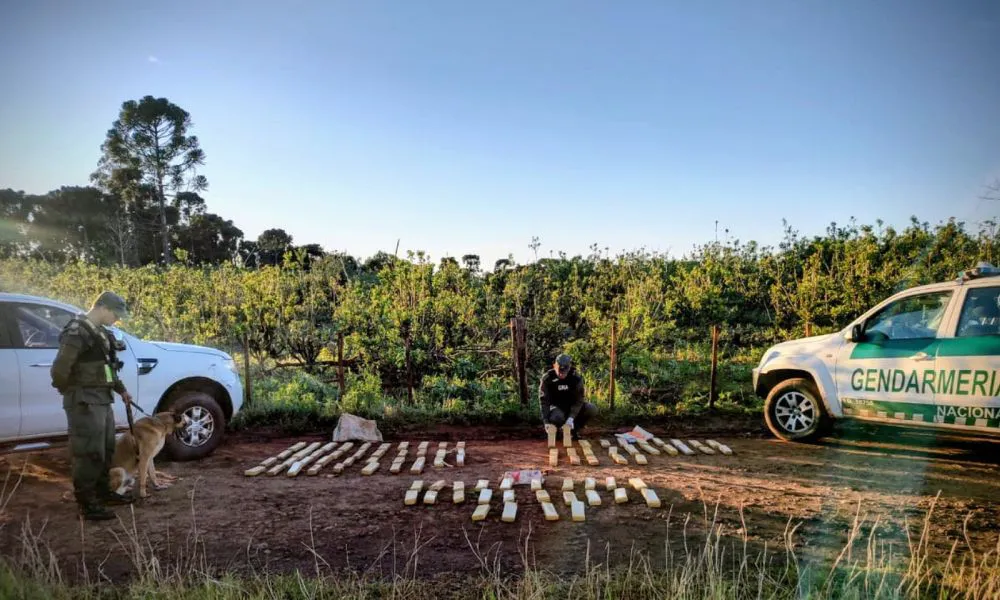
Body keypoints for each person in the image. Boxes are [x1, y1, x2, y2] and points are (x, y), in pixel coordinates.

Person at [51, 291, 135, 521]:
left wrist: (121, 389)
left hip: (102, 399)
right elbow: (59, 370)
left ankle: (103, 493)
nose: (116, 320)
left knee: (105, 450)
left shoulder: (99, 333)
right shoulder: (77, 331)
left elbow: (107, 368)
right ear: (102, 308)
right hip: (85, 401)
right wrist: (74, 392)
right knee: (88, 453)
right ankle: (87, 505)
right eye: (115, 314)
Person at [539, 354, 598, 440]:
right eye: (559, 371)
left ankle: (574, 430)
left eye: (564, 372)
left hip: (573, 407)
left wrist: (571, 418)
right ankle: (556, 431)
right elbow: (544, 401)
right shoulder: (547, 378)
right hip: (557, 408)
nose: (561, 374)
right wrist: (546, 422)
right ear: (554, 366)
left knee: (592, 409)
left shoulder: (576, 378)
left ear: (569, 368)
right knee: (556, 417)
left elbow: (579, 400)